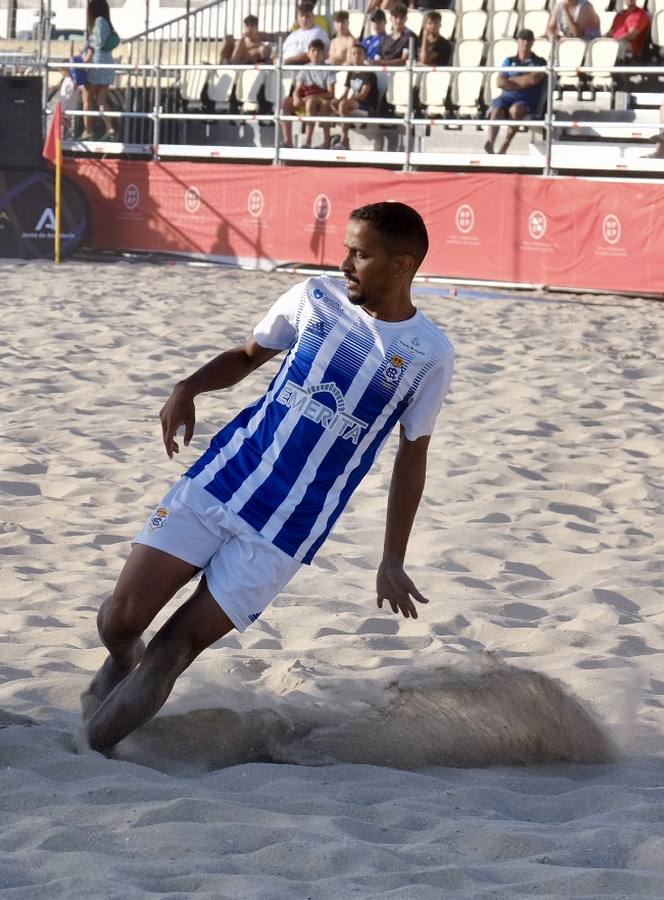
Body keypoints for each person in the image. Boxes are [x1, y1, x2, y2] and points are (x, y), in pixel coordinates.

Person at [81, 201, 454, 757]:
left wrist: (392, 557)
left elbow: (411, 457)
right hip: (220, 482)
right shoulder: (314, 298)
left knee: (173, 649)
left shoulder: (429, 354)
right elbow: (246, 355)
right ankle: (118, 662)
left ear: (402, 266)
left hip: (285, 531)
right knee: (123, 620)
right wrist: (189, 387)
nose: (345, 262)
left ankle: (88, 754)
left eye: (361, 253)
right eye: (347, 248)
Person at [484, 29, 547, 155]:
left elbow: (534, 80)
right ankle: (490, 142)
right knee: (496, 110)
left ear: (533, 42)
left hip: (526, 98)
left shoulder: (539, 62)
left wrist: (511, 80)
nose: (525, 43)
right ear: (518, 41)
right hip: (507, 96)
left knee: (516, 110)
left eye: (528, 40)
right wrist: (523, 81)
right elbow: (500, 82)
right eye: (522, 40)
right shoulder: (509, 60)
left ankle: (505, 145)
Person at [281, 38, 338, 148]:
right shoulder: (305, 68)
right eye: (313, 50)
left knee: (310, 102)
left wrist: (313, 96)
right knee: (286, 103)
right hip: (306, 97)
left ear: (324, 54)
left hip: (321, 99)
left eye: (319, 51)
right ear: (308, 53)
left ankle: (307, 142)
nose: (316, 54)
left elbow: (331, 93)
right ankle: (288, 141)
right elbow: (297, 88)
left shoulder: (329, 69)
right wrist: (296, 97)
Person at [80, 0, 119, 140]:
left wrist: (86, 56)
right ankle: (110, 128)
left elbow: (97, 43)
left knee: (87, 98)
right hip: (107, 64)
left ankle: (88, 131)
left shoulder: (99, 21)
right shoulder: (107, 22)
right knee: (101, 100)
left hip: (97, 65)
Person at [333, 43, 377, 149]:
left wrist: (345, 101)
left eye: (359, 53)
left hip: (366, 105)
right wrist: (337, 101)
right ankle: (325, 141)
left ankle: (344, 140)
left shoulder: (369, 73)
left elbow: (363, 95)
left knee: (343, 105)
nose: (356, 56)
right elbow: (345, 93)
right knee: (332, 104)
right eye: (354, 53)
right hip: (352, 102)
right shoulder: (351, 72)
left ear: (365, 56)